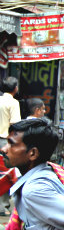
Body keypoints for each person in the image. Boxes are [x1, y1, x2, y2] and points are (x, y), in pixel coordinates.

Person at [0, 77, 21, 216]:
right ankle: (2, 206)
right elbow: (15, 125)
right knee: (5, 174)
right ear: (15, 88)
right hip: (4, 141)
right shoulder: (13, 103)